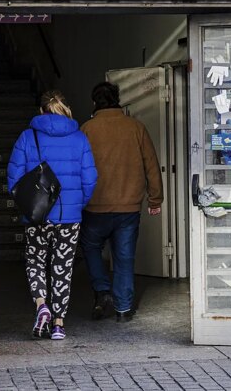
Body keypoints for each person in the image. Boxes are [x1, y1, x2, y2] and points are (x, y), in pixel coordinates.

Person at [7, 90, 97, 340]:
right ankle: (58, 324)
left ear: (41, 111)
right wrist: (77, 204)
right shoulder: (79, 139)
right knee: (63, 267)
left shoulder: (28, 137)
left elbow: (14, 178)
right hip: (69, 218)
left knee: (35, 260)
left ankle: (41, 305)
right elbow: (90, 179)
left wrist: (25, 206)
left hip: (37, 215)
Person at [80, 82, 163, 322]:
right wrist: (155, 198)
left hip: (94, 206)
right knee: (124, 257)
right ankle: (123, 309)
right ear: (118, 99)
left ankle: (102, 291)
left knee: (92, 248)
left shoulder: (87, 129)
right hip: (128, 208)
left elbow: (78, 167)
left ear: (94, 103)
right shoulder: (135, 127)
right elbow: (151, 165)